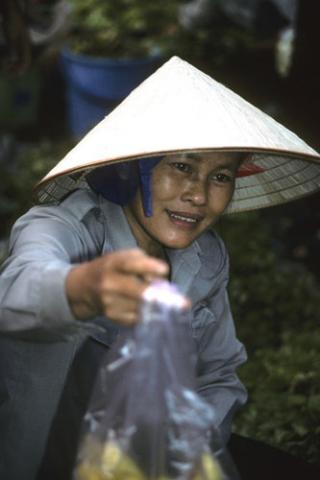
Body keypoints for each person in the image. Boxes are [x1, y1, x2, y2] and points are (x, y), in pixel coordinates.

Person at [0, 56, 319, 480]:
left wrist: (185, 455)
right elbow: (17, 288)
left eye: (220, 176)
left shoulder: (205, 259)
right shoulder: (65, 227)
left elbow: (219, 374)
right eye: (182, 167)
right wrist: (84, 287)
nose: (199, 195)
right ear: (133, 171)